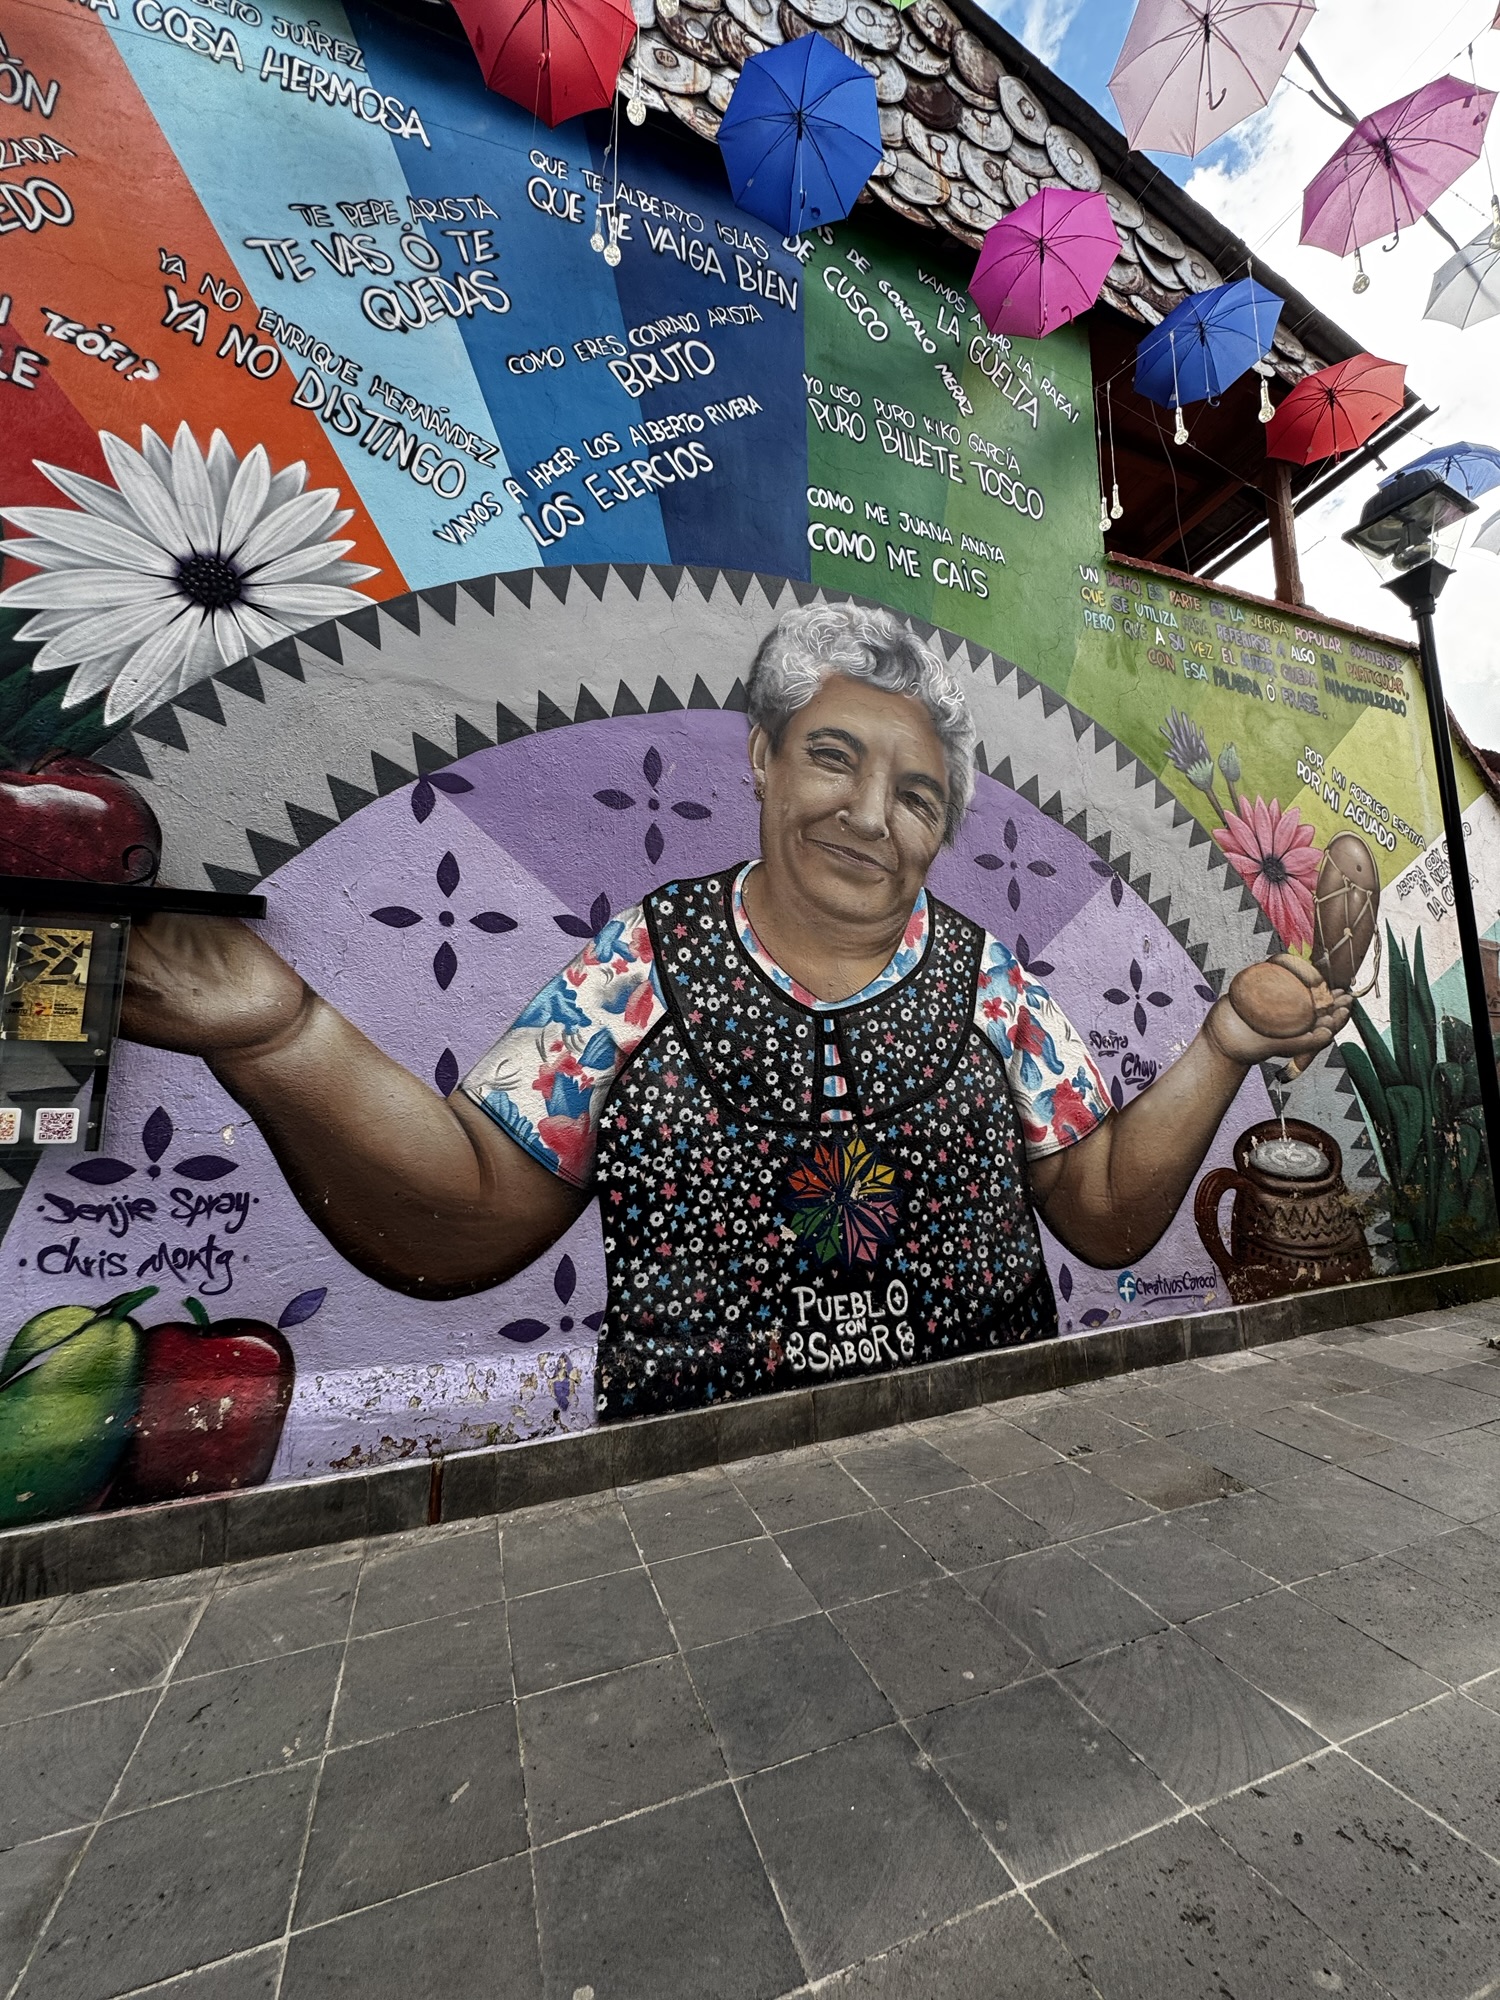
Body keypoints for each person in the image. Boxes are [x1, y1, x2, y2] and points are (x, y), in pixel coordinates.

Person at [120, 605, 1349, 1419]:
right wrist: (280, 1035)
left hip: (994, 1451)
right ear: (762, 757)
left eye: (917, 794)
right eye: (833, 756)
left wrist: (1227, 1038)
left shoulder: (994, 988)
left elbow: (1106, 1212)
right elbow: (469, 1218)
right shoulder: (642, 965)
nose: (872, 814)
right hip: (693, 1488)